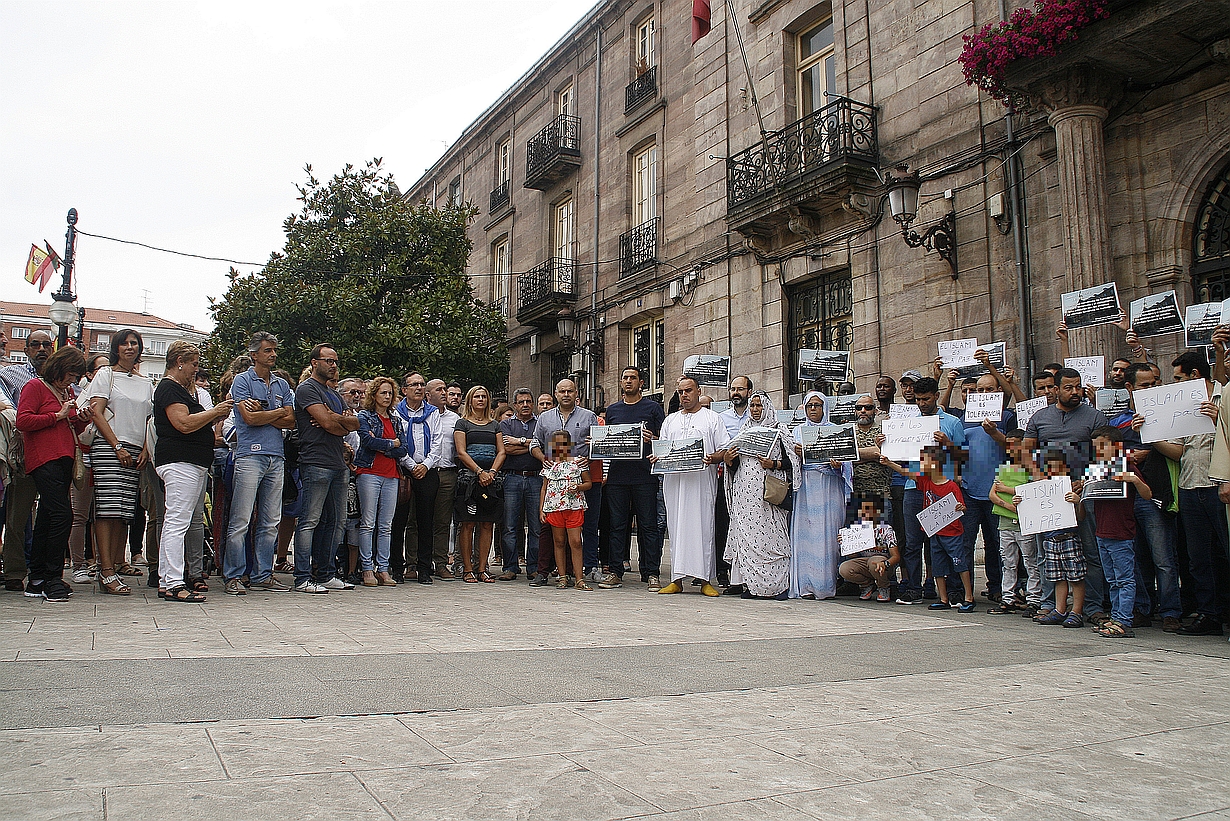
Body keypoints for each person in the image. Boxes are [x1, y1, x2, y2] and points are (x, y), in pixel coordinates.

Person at [1145, 352, 1227, 636]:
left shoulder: (1223, 397)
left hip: (1220, 485)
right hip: (1191, 486)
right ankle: (1209, 614)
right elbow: (1179, 452)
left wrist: (1222, 422)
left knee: (1226, 551)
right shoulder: (1184, 406)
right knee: (1198, 557)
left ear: (1194, 375)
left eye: (1178, 377)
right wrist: (1152, 435)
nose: (1174, 383)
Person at [1022, 367, 1109, 624]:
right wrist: (1038, 477)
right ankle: (1051, 604)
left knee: (1089, 552)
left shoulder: (1095, 417)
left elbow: (1105, 455)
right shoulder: (1039, 418)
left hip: (1081, 493)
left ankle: (1092, 606)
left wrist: (1085, 480)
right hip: (1046, 494)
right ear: (1056, 389)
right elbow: (1025, 454)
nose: (1075, 392)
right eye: (1068, 387)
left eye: (1078, 387)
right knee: (1046, 553)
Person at [154, 341, 233, 603]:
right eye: (194, 365)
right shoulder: (169, 388)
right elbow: (183, 423)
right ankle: (175, 582)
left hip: (191, 461)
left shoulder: (182, 391)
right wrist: (215, 412)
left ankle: (168, 579)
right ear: (179, 361)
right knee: (177, 522)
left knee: (176, 521)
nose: (195, 371)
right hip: (180, 461)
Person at [81, 329, 154, 596]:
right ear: (116, 348)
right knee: (107, 509)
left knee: (124, 513)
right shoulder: (105, 374)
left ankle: (113, 566)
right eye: (124, 343)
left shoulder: (146, 382)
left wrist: (146, 448)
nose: (130, 347)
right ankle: (106, 570)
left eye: (134, 343)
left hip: (136, 450)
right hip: (110, 446)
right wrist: (117, 446)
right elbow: (97, 413)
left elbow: (149, 419)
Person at [15, 345, 90, 602]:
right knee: (61, 515)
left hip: (63, 459)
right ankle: (52, 576)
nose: (73, 379)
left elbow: (70, 426)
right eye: (70, 373)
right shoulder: (35, 387)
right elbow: (23, 420)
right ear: (59, 369)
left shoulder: (65, 392)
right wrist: (55, 416)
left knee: (48, 517)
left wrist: (81, 418)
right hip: (44, 459)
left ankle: (38, 578)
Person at [223, 332, 295, 595]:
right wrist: (277, 414)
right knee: (241, 519)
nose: (273, 354)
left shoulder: (282, 385)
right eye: (267, 350)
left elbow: (291, 420)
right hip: (250, 455)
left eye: (274, 350)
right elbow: (248, 419)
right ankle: (233, 575)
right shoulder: (241, 381)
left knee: (271, 520)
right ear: (254, 354)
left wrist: (266, 413)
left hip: (276, 456)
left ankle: (263, 574)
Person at [886, 377, 966, 605]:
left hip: (942, 487)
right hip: (913, 487)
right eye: (919, 399)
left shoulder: (951, 422)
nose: (922, 403)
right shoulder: (908, 422)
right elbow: (896, 452)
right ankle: (913, 588)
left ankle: (951, 589)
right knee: (912, 542)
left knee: (944, 540)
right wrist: (885, 440)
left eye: (926, 399)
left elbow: (964, 457)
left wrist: (948, 443)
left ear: (936, 396)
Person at [292, 344, 359, 594]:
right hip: (316, 461)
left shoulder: (333, 393)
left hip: (337, 463)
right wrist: (335, 420)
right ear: (314, 362)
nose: (333, 365)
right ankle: (302, 577)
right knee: (310, 520)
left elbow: (353, 423)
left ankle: (326, 573)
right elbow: (328, 423)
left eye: (335, 361)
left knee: (337, 522)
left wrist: (337, 419)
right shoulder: (307, 389)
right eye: (328, 360)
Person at [654, 376, 730, 596]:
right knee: (677, 528)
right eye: (680, 392)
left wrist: (712, 458)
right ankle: (676, 579)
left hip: (701, 483)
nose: (684, 395)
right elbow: (664, 449)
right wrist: (656, 458)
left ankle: (705, 579)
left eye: (688, 391)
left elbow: (724, 450)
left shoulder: (712, 419)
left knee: (703, 527)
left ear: (698, 391)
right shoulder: (671, 420)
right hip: (675, 483)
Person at [1121, 363, 1182, 632]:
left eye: (1154, 384)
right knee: (1135, 557)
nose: (1150, 390)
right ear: (1130, 388)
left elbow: (1179, 452)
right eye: (1144, 386)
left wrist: (1151, 438)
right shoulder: (1119, 422)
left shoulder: (1169, 416)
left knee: (1163, 558)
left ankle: (1171, 611)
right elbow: (1101, 457)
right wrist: (1127, 457)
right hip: (1125, 499)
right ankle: (1142, 608)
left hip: (1155, 498)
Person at [884, 445, 975, 611]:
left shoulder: (951, 485)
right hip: (935, 532)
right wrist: (889, 463)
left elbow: (961, 506)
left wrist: (961, 508)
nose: (921, 465)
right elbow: (907, 472)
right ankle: (943, 598)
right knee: (938, 565)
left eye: (925, 462)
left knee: (959, 563)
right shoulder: (925, 480)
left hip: (952, 532)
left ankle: (967, 596)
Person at [599, 366, 665, 590]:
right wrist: (596, 445)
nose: (628, 381)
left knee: (648, 526)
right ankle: (615, 571)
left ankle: (651, 572)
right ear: (620, 382)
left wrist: (652, 438)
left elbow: (663, 442)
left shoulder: (653, 408)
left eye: (633, 378)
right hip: (618, 476)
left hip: (645, 475)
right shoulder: (613, 410)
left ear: (641, 382)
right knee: (617, 525)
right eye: (625, 378)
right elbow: (607, 442)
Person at [721, 390, 793, 599]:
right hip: (745, 494)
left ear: (767, 407)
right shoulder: (744, 430)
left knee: (770, 537)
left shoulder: (780, 431)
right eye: (752, 406)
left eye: (759, 406)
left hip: (768, 494)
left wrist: (774, 464)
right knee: (747, 536)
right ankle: (750, 584)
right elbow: (734, 465)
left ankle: (775, 585)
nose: (754, 410)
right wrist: (729, 460)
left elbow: (792, 463)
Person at [531, 379, 599, 576]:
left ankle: (585, 570)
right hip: (553, 484)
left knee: (585, 529)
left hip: (581, 477)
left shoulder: (589, 416)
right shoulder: (544, 418)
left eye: (570, 391)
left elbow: (598, 443)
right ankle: (550, 572)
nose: (566, 394)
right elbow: (535, 442)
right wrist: (543, 458)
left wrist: (589, 456)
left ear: (576, 393)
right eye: (562, 391)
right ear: (556, 393)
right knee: (552, 535)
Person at [1088, 426, 1151, 638]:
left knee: (1125, 579)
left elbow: (1147, 494)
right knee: (1113, 579)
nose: (1100, 452)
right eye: (1096, 448)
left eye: (1104, 447)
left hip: (1121, 532)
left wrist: (1133, 479)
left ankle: (1124, 620)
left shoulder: (1127, 466)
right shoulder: (1096, 470)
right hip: (1102, 532)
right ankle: (1115, 618)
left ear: (1117, 446)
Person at [790, 390, 852, 599]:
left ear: (824, 408)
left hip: (829, 486)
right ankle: (805, 585)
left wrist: (838, 465)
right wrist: (797, 455)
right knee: (805, 533)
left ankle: (825, 585)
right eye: (810, 406)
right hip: (806, 488)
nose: (813, 409)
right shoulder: (797, 431)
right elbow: (788, 462)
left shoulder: (835, 430)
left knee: (827, 533)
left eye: (817, 405)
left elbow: (847, 464)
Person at [959, 373, 1015, 603]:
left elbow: (1017, 448)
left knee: (998, 544)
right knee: (966, 542)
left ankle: (1000, 589)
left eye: (988, 390)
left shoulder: (1008, 417)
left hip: (998, 490)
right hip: (970, 490)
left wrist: (995, 433)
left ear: (999, 393)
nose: (982, 395)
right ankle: (966, 592)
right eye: (978, 391)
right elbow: (956, 450)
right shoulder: (964, 419)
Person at [355, 377, 408, 587]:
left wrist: (384, 445)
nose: (387, 397)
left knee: (386, 524)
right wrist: (390, 444)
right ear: (374, 395)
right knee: (368, 522)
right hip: (369, 471)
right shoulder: (365, 416)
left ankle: (383, 569)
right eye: (383, 393)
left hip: (391, 474)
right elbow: (367, 442)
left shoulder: (395, 420)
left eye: (389, 393)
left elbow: (403, 448)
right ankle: (367, 568)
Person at [392, 372, 441, 586]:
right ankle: (396, 567)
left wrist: (425, 465)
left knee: (425, 521)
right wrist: (411, 465)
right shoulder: (396, 413)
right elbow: (396, 440)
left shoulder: (433, 413)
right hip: (403, 470)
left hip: (427, 471)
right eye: (414, 385)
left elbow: (438, 443)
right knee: (399, 521)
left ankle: (423, 568)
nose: (419, 388)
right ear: (404, 390)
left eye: (422, 384)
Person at [1028, 451, 1088, 628]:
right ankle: (1060, 610)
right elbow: (1032, 512)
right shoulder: (1041, 489)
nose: (1053, 471)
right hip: (1050, 538)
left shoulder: (1071, 487)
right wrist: (1021, 502)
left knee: (1076, 576)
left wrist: (1078, 502)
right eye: (1049, 468)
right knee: (1058, 577)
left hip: (1069, 537)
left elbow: (1082, 517)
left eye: (1057, 467)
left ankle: (1076, 612)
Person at [454, 385, 506, 582]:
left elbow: (501, 451)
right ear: (470, 400)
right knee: (467, 523)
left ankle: (482, 568)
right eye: (477, 396)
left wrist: (491, 472)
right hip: (468, 480)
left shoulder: (494, 425)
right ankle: (467, 568)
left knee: (487, 523)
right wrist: (479, 471)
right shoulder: (462, 423)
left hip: (491, 481)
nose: (481, 400)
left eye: (484, 396)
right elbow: (461, 451)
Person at [987, 430, 1041, 615]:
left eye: (1016, 444)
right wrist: (1009, 506)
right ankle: (1008, 598)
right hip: (1006, 522)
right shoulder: (1005, 467)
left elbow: (1033, 491)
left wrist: (1007, 490)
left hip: (1024, 523)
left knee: (1030, 561)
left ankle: (1034, 598)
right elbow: (992, 494)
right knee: (1008, 562)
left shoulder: (1032, 468)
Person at [68, 353, 111, 584]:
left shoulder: (113, 392)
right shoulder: (76, 396)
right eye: (99, 369)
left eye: (108, 368)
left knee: (103, 515)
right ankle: (78, 564)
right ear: (89, 374)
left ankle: (102, 562)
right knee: (79, 515)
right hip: (83, 460)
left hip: (104, 460)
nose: (104, 373)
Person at [539, 429, 592, 590]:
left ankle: (579, 578)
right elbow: (544, 488)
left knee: (575, 541)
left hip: (574, 506)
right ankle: (562, 576)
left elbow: (588, 483)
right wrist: (541, 509)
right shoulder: (550, 464)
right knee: (559, 541)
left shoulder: (578, 462)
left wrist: (578, 487)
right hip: (554, 507)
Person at [498, 388, 541, 580]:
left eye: (528, 401)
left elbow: (546, 447)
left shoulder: (540, 423)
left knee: (535, 526)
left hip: (535, 478)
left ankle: (534, 566)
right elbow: (506, 449)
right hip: (512, 478)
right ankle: (510, 567)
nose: (525, 405)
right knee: (509, 525)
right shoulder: (505, 424)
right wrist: (531, 445)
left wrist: (520, 442)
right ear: (514, 404)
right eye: (521, 402)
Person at [425, 379, 460, 578]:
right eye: (439, 390)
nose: (445, 393)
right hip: (424, 472)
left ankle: (440, 562)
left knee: (442, 521)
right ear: (428, 395)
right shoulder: (421, 416)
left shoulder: (454, 419)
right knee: (417, 519)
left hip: (447, 472)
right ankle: (414, 563)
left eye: (445, 389)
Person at [838, 496, 900, 603]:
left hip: (883, 564)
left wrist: (886, 564)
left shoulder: (886, 529)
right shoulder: (856, 529)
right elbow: (853, 556)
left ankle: (884, 587)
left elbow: (896, 556)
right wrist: (845, 543)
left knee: (873, 562)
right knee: (844, 568)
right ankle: (867, 585)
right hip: (864, 562)